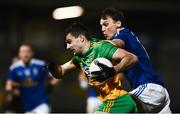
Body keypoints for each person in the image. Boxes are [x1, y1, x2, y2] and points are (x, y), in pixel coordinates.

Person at [46, 23, 138, 113]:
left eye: (69, 42)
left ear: (81, 38)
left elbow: (132, 58)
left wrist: (113, 70)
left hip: (117, 99)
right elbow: (61, 71)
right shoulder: (78, 58)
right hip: (108, 100)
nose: (67, 47)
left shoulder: (101, 48)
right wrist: (52, 67)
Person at [99, 7, 171, 113]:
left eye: (105, 24)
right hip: (158, 91)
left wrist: (93, 45)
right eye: (101, 26)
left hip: (148, 89)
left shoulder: (123, 34)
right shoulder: (129, 37)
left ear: (118, 23)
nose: (102, 29)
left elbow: (116, 43)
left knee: (107, 109)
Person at [5, 44, 59, 114]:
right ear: (19, 54)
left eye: (27, 52)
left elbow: (57, 75)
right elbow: (8, 86)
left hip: (41, 103)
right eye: (23, 52)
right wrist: (13, 86)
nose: (25, 54)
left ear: (32, 53)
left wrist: (49, 88)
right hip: (26, 106)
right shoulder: (14, 68)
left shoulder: (40, 65)